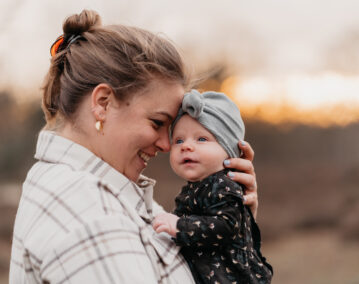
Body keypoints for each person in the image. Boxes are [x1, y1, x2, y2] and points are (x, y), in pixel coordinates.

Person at [9, 10, 260, 284]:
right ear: (103, 103)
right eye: (157, 122)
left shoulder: (105, 191)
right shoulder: (93, 218)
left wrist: (234, 225)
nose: (166, 145)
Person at [153, 90, 273, 284]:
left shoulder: (223, 185)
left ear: (230, 152)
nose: (186, 146)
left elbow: (226, 225)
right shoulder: (196, 188)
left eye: (201, 139)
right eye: (179, 140)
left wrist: (178, 226)